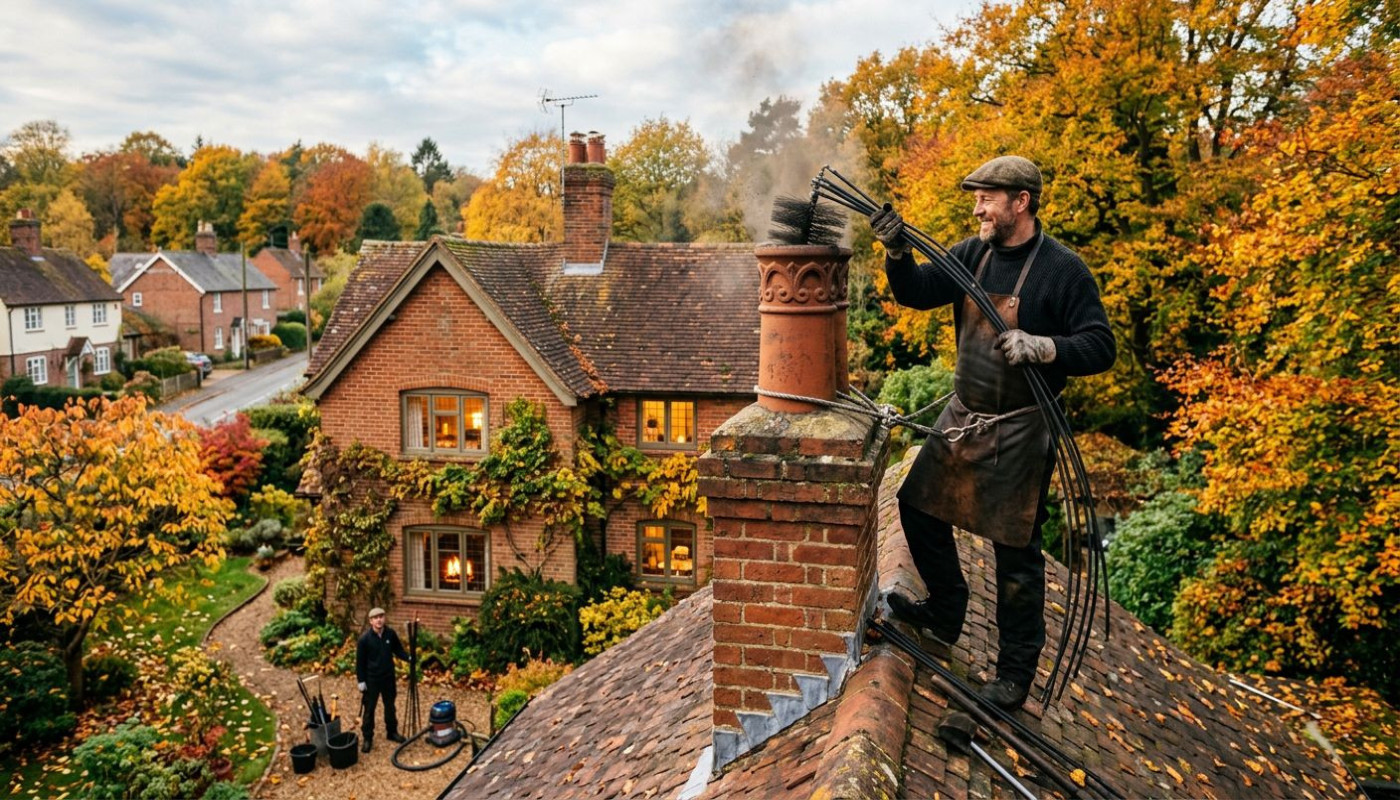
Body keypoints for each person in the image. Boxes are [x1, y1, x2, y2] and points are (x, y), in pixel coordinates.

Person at [869, 155, 1115, 711]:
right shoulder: (970, 255)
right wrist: (896, 251)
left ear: (1020, 202)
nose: (976, 206)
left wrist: (1046, 346)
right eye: (975, 196)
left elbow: (1101, 346)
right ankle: (946, 609)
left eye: (986, 197)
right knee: (918, 506)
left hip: (1024, 425)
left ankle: (1013, 675)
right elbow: (916, 292)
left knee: (1016, 553)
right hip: (965, 413)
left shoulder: (1063, 269)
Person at [356, 607, 409, 752]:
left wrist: (409, 658)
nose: (379, 620)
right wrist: (361, 680)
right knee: (369, 709)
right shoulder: (364, 639)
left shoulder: (390, 634)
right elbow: (360, 662)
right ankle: (367, 738)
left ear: (384, 618)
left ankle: (392, 732)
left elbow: (398, 650)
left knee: (390, 706)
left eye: (381, 617)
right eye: (376, 618)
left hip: (388, 677)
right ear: (371, 621)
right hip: (372, 679)